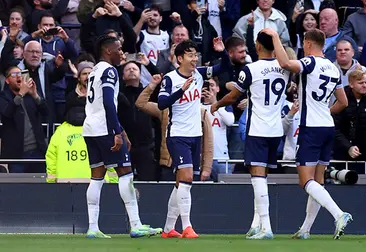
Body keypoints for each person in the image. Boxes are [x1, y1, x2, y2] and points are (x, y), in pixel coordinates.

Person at [270, 28, 352, 240]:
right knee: (318, 180)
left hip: (311, 127)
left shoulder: (309, 63)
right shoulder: (335, 69)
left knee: (305, 181)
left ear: (307, 44)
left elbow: (286, 64)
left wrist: (276, 37)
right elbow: (343, 102)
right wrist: (325, 110)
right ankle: (306, 229)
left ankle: (339, 214)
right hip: (327, 127)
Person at [211, 30, 291, 239]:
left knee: (257, 178)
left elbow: (233, 96)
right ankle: (257, 223)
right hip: (276, 130)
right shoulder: (286, 68)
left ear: (257, 46)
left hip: (257, 129)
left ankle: (267, 228)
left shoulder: (251, 69)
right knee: (262, 177)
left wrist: (216, 104)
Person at [82, 35, 161, 238]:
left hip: (90, 128)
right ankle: (136, 225)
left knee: (96, 177)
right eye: (118, 48)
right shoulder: (109, 71)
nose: (121, 52)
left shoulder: (94, 71)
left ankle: (92, 228)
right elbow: (109, 102)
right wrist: (117, 131)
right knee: (125, 173)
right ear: (108, 51)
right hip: (105, 129)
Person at [157, 39, 222, 238]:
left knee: (181, 183)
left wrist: (222, 52)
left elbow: (225, 68)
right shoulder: (169, 79)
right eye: (190, 55)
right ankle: (187, 226)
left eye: (196, 55)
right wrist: (181, 90)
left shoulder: (200, 74)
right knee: (186, 178)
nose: (195, 59)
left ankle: (168, 229)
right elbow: (161, 103)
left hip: (196, 135)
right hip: (178, 135)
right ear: (179, 58)